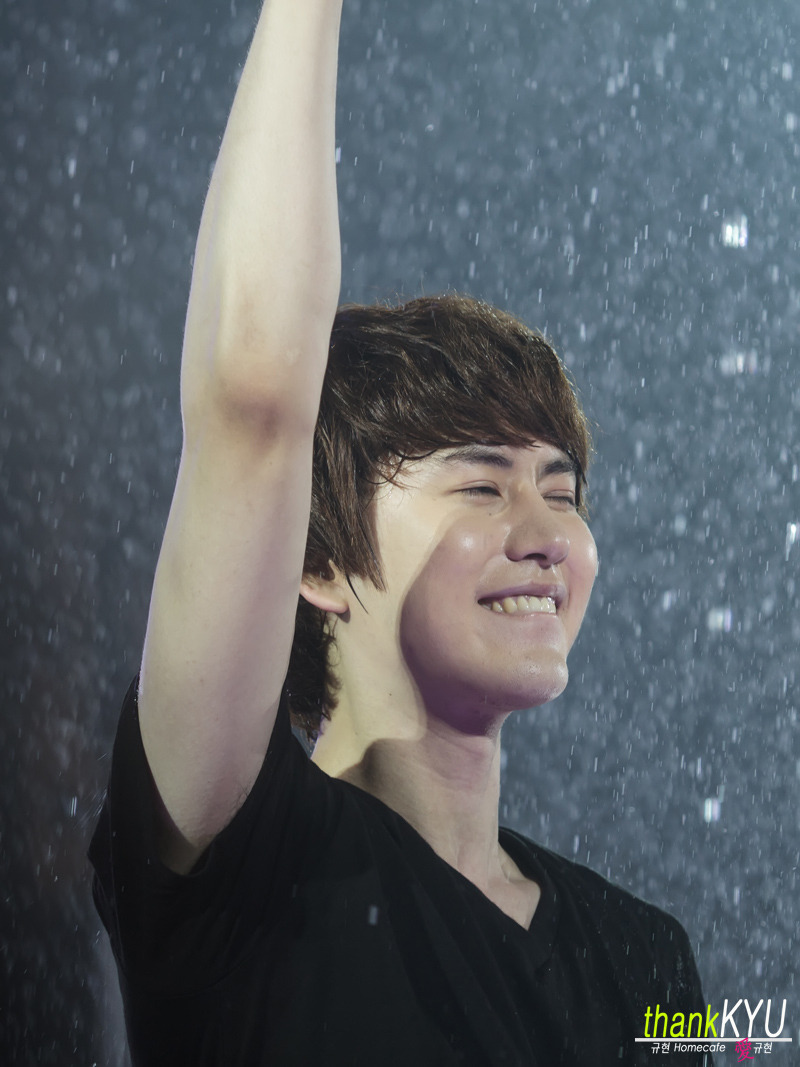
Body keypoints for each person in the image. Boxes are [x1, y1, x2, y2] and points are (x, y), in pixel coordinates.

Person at [89, 1, 711, 1064]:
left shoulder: (651, 961)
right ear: (320, 559)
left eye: (562, 491)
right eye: (480, 486)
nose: (546, 534)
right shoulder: (243, 856)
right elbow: (253, 399)